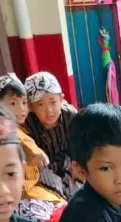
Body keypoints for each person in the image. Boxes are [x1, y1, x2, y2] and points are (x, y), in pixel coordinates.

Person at [0, 73, 66, 222]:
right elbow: (22, 141)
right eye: (13, 103)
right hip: (18, 197)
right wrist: (35, 151)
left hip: (33, 190)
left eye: (24, 102)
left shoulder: (20, 126)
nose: (21, 109)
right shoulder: (1, 129)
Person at [23, 71, 82, 201]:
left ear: (61, 99)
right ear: (31, 107)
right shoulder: (28, 122)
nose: (49, 110)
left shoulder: (70, 115)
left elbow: (80, 140)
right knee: (55, 194)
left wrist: (77, 161)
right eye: (40, 105)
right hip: (44, 165)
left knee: (77, 191)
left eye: (53, 102)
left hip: (68, 159)